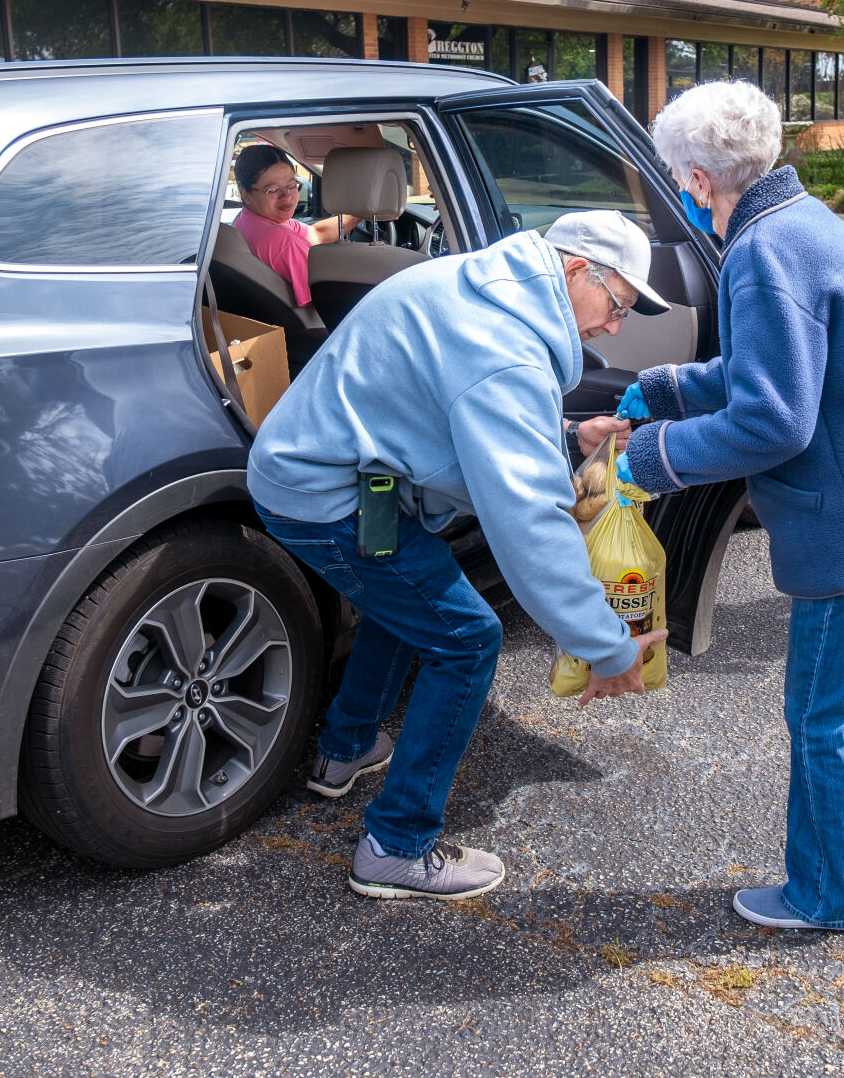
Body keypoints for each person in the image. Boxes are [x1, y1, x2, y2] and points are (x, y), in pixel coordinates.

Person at [616, 80, 844, 931]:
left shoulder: (763, 251)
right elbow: (779, 367)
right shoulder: (806, 224)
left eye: (674, 175)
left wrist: (648, 457)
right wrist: (662, 389)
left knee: (819, 711)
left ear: (699, 180)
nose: (676, 188)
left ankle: (824, 893)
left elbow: (772, 417)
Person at [248, 210, 672, 902]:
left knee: (412, 600)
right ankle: (396, 844)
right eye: (616, 305)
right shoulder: (502, 347)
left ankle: (346, 748)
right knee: (467, 639)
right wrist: (605, 644)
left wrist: (566, 433)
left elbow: (461, 410)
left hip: (320, 470)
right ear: (574, 272)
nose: (614, 326)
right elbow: (530, 518)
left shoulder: (473, 284)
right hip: (325, 496)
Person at [230, 143, 356, 307]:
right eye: (273, 190)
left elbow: (315, 234)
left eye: (291, 186)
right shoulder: (284, 244)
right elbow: (325, 302)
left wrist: (360, 213)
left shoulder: (248, 220)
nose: (287, 197)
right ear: (245, 194)